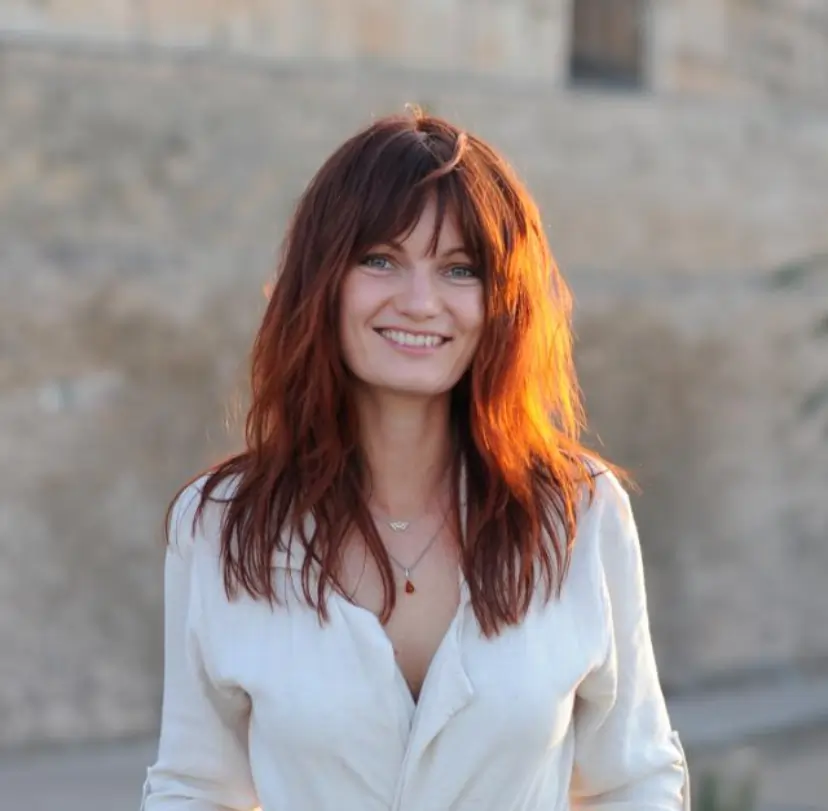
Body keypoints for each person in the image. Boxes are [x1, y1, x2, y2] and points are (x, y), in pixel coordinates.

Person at [141, 109, 691, 811]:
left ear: (500, 302)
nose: (421, 302)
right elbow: (194, 787)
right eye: (380, 260)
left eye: (460, 269)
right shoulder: (222, 524)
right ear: (322, 280)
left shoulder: (579, 512)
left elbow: (634, 780)